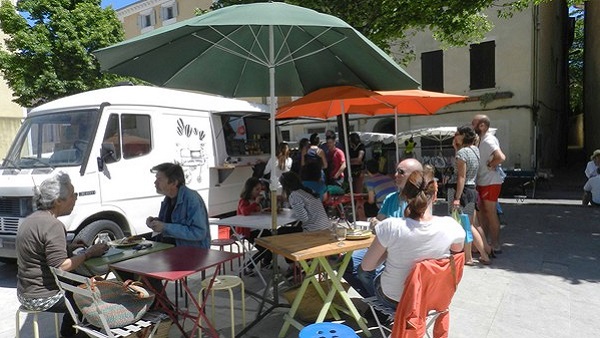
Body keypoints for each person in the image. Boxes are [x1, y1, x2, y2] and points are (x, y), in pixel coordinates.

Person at [16, 172, 108, 338]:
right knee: (93, 301)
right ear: (58, 201)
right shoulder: (53, 225)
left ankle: (68, 333)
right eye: (73, 195)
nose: (76, 198)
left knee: (79, 292)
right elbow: (61, 266)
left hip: (25, 293)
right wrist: (89, 253)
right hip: (43, 297)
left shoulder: (30, 219)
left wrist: (69, 247)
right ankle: (75, 334)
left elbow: (41, 251)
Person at [360, 170, 466, 308]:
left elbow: (367, 266)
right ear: (434, 196)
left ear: (405, 196)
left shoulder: (390, 227)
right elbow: (457, 251)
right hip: (433, 297)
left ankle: (380, 315)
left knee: (364, 271)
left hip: (395, 298)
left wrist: (388, 252)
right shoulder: (451, 226)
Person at [348, 158, 423, 297]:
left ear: (415, 176)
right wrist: (374, 221)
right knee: (348, 262)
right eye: (396, 171)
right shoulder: (391, 198)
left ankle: (385, 303)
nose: (395, 175)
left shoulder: (420, 201)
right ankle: (376, 301)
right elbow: (379, 221)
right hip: (383, 248)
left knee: (364, 271)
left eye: (401, 172)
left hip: (401, 253)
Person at [447, 125, 491, 265]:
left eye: (458, 134)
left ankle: (483, 254)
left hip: (463, 190)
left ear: (464, 136)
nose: (455, 135)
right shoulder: (475, 150)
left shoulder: (462, 153)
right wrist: (456, 149)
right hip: (472, 189)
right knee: (468, 225)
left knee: (468, 225)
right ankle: (470, 256)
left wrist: (457, 198)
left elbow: (461, 176)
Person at [146, 162, 211, 248]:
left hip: (193, 254)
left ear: (174, 183)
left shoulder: (191, 199)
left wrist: (165, 227)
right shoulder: (168, 199)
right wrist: (155, 222)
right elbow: (169, 223)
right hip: (170, 252)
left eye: (159, 179)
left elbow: (199, 232)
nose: (155, 183)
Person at [472, 114, 506, 254]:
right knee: (482, 213)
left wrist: (491, 164)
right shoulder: (481, 140)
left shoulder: (489, 140)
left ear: (482, 126)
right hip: (483, 181)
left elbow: (501, 157)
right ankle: (484, 243)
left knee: (490, 213)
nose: (471, 126)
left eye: (473, 123)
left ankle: (495, 244)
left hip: (490, 181)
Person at [237, 177, 272, 275]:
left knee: (274, 240)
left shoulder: (254, 200)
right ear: (250, 189)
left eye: (260, 189)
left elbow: (256, 213)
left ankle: (266, 262)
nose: (259, 192)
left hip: (259, 227)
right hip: (249, 231)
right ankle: (249, 266)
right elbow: (245, 211)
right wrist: (256, 203)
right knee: (264, 248)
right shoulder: (244, 200)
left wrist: (263, 211)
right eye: (257, 189)